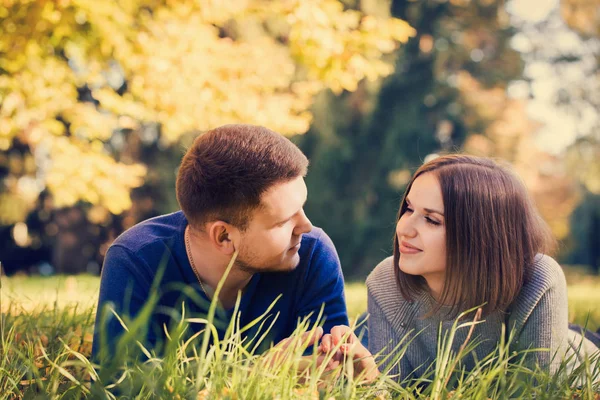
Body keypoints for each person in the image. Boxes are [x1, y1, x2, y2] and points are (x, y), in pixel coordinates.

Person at [319, 154, 599, 383]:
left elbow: (535, 390)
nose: (405, 228)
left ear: (481, 234)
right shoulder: (385, 281)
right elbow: (396, 389)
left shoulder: (539, 279)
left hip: (582, 353)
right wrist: (370, 379)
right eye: (408, 208)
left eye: (431, 220)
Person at [92, 124, 348, 361]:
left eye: (301, 207)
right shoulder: (136, 259)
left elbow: (334, 377)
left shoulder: (312, 253)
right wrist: (254, 378)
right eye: (283, 222)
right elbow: (117, 386)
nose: (306, 227)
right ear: (224, 236)